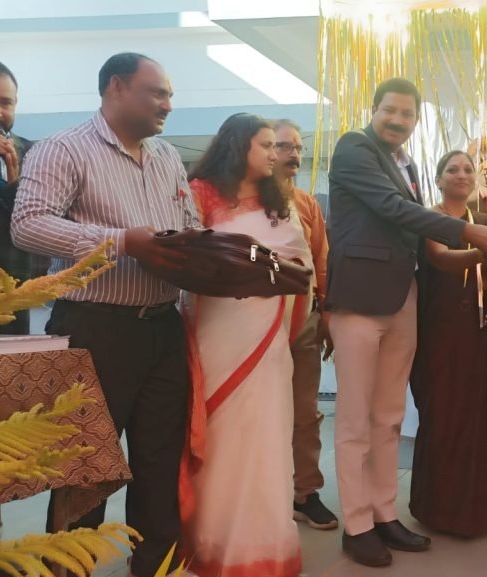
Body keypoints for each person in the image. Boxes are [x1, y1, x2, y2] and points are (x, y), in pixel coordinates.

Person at [11, 52, 196, 577]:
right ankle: (69, 569)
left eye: (170, 95)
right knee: (86, 464)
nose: (167, 104)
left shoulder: (167, 156)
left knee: (159, 460)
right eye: (157, 92)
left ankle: (156, 566)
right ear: (116, 86)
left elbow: (188, 223)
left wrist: (213, 255)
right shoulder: (63, 148)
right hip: (94, 328)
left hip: (163, 326)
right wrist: (121, 242)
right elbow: (28, 225)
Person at [327, 77, 487, 568]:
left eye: (407, 114)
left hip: (403, 297)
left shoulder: (405, 164)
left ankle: (385, 512)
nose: (398, 120)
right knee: (355, 419)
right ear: (373, 110)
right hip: (359, 299)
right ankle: (357, 525)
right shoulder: (354, 148)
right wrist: (468, 230)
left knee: (389, 415)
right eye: (390, 110)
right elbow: (394, 210)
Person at [178, 113, 306, 577]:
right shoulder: (199, 194)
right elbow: (186, 261)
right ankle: (214, 546)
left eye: (277, 146)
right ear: (238, 146)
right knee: (224, 437)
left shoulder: (280, 201)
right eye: (266, 145)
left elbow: (302, 268)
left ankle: (265, 547)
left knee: (266, 435)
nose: (275, 154)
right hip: (219, 331)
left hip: (270, 336)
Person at [409, 150, 487, 538]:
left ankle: (473, 508)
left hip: (480, 329)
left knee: (478, 412)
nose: (462, 174)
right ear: (438, 179)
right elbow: (440, 257)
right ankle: (438, 509)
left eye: (468, 169)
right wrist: (486, 252)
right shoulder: (429, 219)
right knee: (444, 412)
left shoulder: (486, 222)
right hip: (439, 329)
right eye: (452, 169)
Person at [272, 119, 339, 531]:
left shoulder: (307, 203)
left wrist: (326, 312)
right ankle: (264, 494)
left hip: (305, 322)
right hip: (257, 324)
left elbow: (321, 260)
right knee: (259, 411)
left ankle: (306, 493)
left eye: (298, 147)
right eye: (284, 146)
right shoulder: (244, 200)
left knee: (305, 412)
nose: (294, 154)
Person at [0, 57, 45, 336]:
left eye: (5, 102)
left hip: (9, 315)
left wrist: (12, 189)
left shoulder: (35, 156)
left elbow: (43, 228)